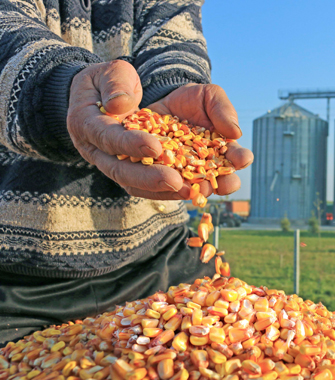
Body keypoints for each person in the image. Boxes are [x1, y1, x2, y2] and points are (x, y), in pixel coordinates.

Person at [0, 0, 253, 344]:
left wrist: (171, 89)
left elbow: (173, 36)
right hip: (16, 280)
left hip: (157, 256)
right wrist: (64, 88)